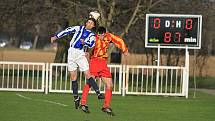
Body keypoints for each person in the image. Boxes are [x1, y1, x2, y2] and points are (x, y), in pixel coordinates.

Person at [50, 18, 104, 110]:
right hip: (71, 52)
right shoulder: (79, 28)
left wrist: (85, 42)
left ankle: (98, 93)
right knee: (73, 77)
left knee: (87, 74)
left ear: (93, 26)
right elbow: (67, 30)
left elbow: (91, 44)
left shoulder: (92, 35)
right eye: (88, 22)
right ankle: (76, 98)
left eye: (91, 23)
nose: (88, 24)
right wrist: (56, 36)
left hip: (80, 54)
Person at [80, 26, 129, 116]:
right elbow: (85, 45)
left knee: (110, 85)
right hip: (94, 61)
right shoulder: (93, 38)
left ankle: (106, 106)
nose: (100, 37)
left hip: (103, 63)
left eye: (102, 35)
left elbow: (119, 40)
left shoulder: (109, 36)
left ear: (104, 33)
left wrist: (124, 50)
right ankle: (83, 103)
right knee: (90, 83)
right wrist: (86, 54)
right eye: (99, 35)